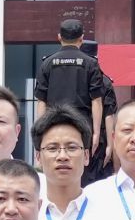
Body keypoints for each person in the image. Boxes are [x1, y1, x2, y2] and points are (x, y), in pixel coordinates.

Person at [33, 15, 107, 151]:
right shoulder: (91, 63)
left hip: (53, 125)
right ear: (82, 38)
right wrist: (96, 133)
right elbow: (96, 100)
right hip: (81, 126)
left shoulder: (47, 63)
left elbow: (41, 101)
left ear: (59, 37)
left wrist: (40, 131)